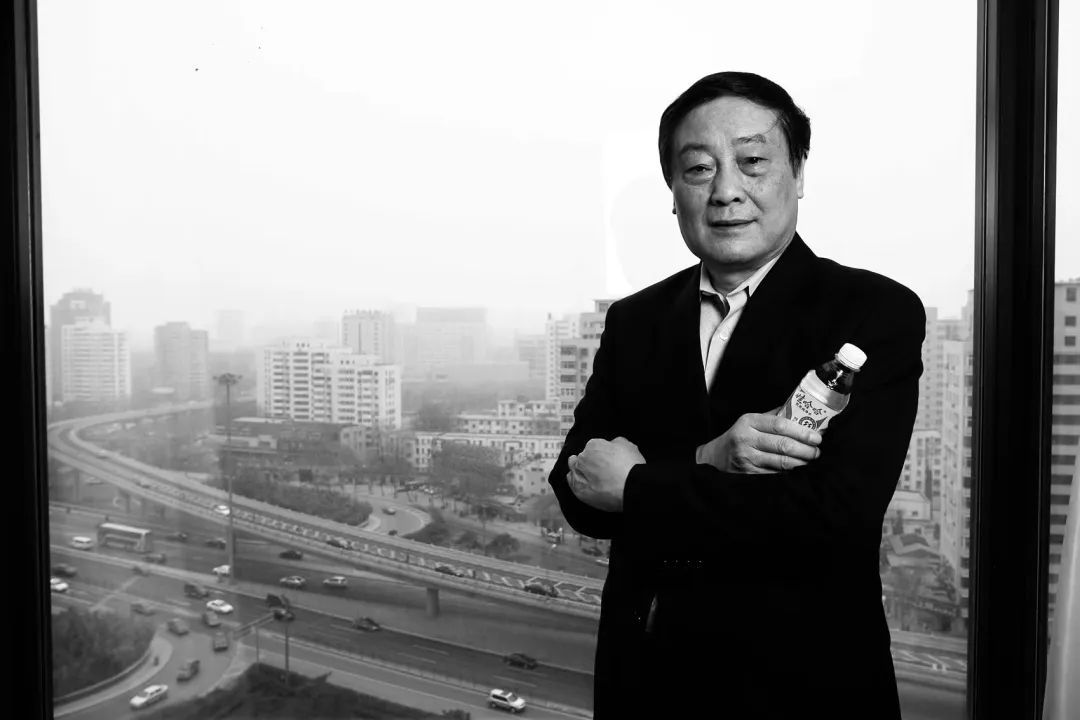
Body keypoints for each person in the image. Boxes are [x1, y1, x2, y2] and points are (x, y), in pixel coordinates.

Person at [548, 71, 924, 719]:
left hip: (801, 690)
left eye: (752, 162)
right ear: (673, 192)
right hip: (647, 684)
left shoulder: (871, 311)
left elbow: (833, 518)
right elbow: (577, 487)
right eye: (699, 169)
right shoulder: (635, 321)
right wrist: (706, 463)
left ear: (798, 175)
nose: (726, 191)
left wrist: (639, 486)